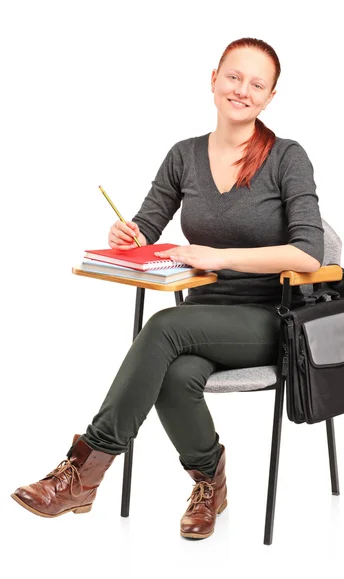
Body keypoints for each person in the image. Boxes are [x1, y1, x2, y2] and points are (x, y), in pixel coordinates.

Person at [11, 37, 324, 540]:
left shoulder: (287, 157)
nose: (242, 89)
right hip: (202, 319)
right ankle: (210, 481)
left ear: (269, 97)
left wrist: (219, 257)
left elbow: (309, 252)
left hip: (271, 318)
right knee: (175, 375)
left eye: (256, 83)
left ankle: (83, 471)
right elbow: (146, 229)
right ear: (214, 79)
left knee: (163, 328)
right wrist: (129, 236)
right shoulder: (183, 155)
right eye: (233, 76)